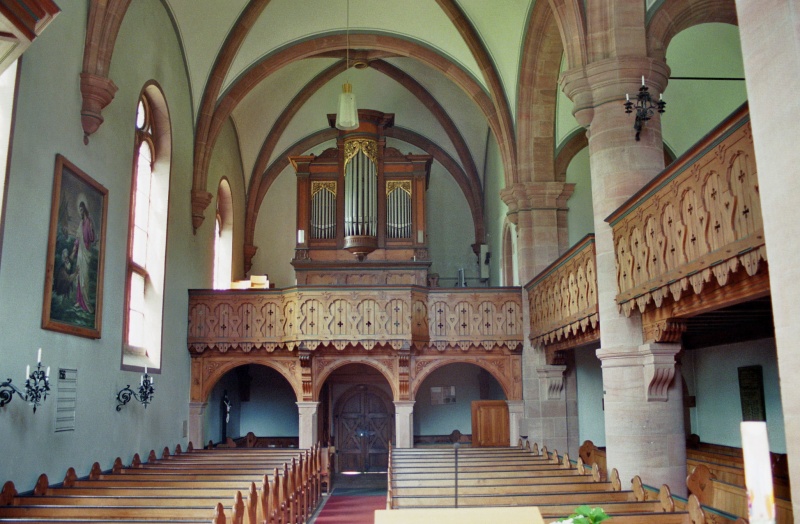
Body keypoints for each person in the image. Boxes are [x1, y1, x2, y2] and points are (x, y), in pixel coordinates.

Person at [72, 201, 96, 313]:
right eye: (79, 210)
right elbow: (77, 239)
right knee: (79, 275)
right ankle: (79, 301)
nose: (80, 212)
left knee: (85, 278)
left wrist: (91, 230)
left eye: (81, 209)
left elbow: (91, 238)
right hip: (80, 253)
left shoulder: (89, 222)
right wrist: (73, 252)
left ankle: (85, 302)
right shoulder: (81, 223)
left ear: (84, 209)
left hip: (86, 252)